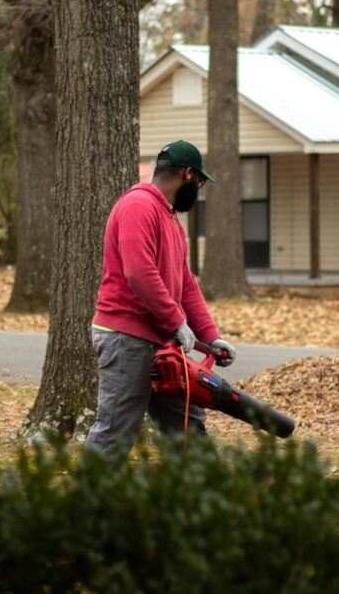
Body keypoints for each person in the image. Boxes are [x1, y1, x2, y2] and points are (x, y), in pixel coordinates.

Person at [85, 140, 237, 454]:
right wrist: (176, 321)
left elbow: (187, 285)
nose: (198, 190)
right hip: (126, 338)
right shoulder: (139, 205)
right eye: (199, 182)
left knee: (187, 427)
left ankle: (202, 487)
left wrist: (211, 336)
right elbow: (139, 273)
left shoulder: (170, 219)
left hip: (162, 341)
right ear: (187, 175)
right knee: (115, 431)